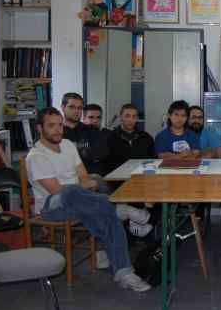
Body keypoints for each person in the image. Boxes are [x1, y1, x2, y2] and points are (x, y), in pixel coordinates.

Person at [26, 108, 152, 292]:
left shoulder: (67, 144)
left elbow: (85, 177)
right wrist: (82, 186)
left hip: (82, 201)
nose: (58, 130)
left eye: (60, 125)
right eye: (51, 126)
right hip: (51, 207)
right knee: (71, 193)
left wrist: (84, 185)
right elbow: (57, 191)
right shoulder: (36, 156)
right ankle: (118, 208)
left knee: (98, 189)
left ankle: (125, 273)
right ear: (39, 128)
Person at [61, 93, 109, 178]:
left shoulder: (92, 130)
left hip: (91, 176)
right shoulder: (57, 132)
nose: (76, 111)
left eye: (79, 108)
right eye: (72, 107)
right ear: (63, 107)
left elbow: (101, 153)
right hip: (65, 178)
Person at [107, 103, 155, 173]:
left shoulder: (146, 137)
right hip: (117, 176)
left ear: (137, 118)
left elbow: (153, 159)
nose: (131, 119)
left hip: (141, 175)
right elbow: (106, 163)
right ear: (121, 117)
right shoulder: (110, 138)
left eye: (134, 116)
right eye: (127, 116)